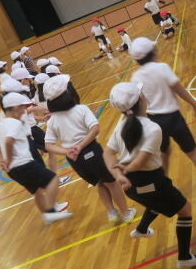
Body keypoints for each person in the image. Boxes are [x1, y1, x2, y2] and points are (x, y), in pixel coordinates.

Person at [104, 81, 196, 269]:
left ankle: (141, 229)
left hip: (132, 187)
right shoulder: (152, 128)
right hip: (151, 182)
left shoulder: (120, 126)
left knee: (155, 203)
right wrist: (126, 169)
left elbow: (108, 153)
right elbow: (140, 162)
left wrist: (119, 175)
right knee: (185, 211)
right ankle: (184, 257)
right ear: (142, 99)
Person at [130, 37, 196, 193]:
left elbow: (138, 101)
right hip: (173, 118)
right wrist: (194, 103)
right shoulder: (162, 68)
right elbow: (178, 88)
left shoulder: (135, 77)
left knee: (164, 152)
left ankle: (163, 186)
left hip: (154, 122)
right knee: (192, 151)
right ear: (153, 53)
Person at [43, 74, 137, 224]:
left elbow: (48, 145)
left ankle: (111, 213)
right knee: (112, 182)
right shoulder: (81, 109)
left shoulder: (52, 120)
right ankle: (126, 213)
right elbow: (95, 129)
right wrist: (80, 146)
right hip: (92, 152)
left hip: (74, 159)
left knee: (100, 182)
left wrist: (67, 151)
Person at [0, 92, 73, 225]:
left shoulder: (1, 126)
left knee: (37, 191)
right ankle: (52, 212)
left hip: (13, 171)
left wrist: (2, 161)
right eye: (22, 107)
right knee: (53, 179)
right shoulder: (15, 123)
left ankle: (47, 216)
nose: (25, 110)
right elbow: (8, 141)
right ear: (14, 108)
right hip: (24, 164)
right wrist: (8, 158)